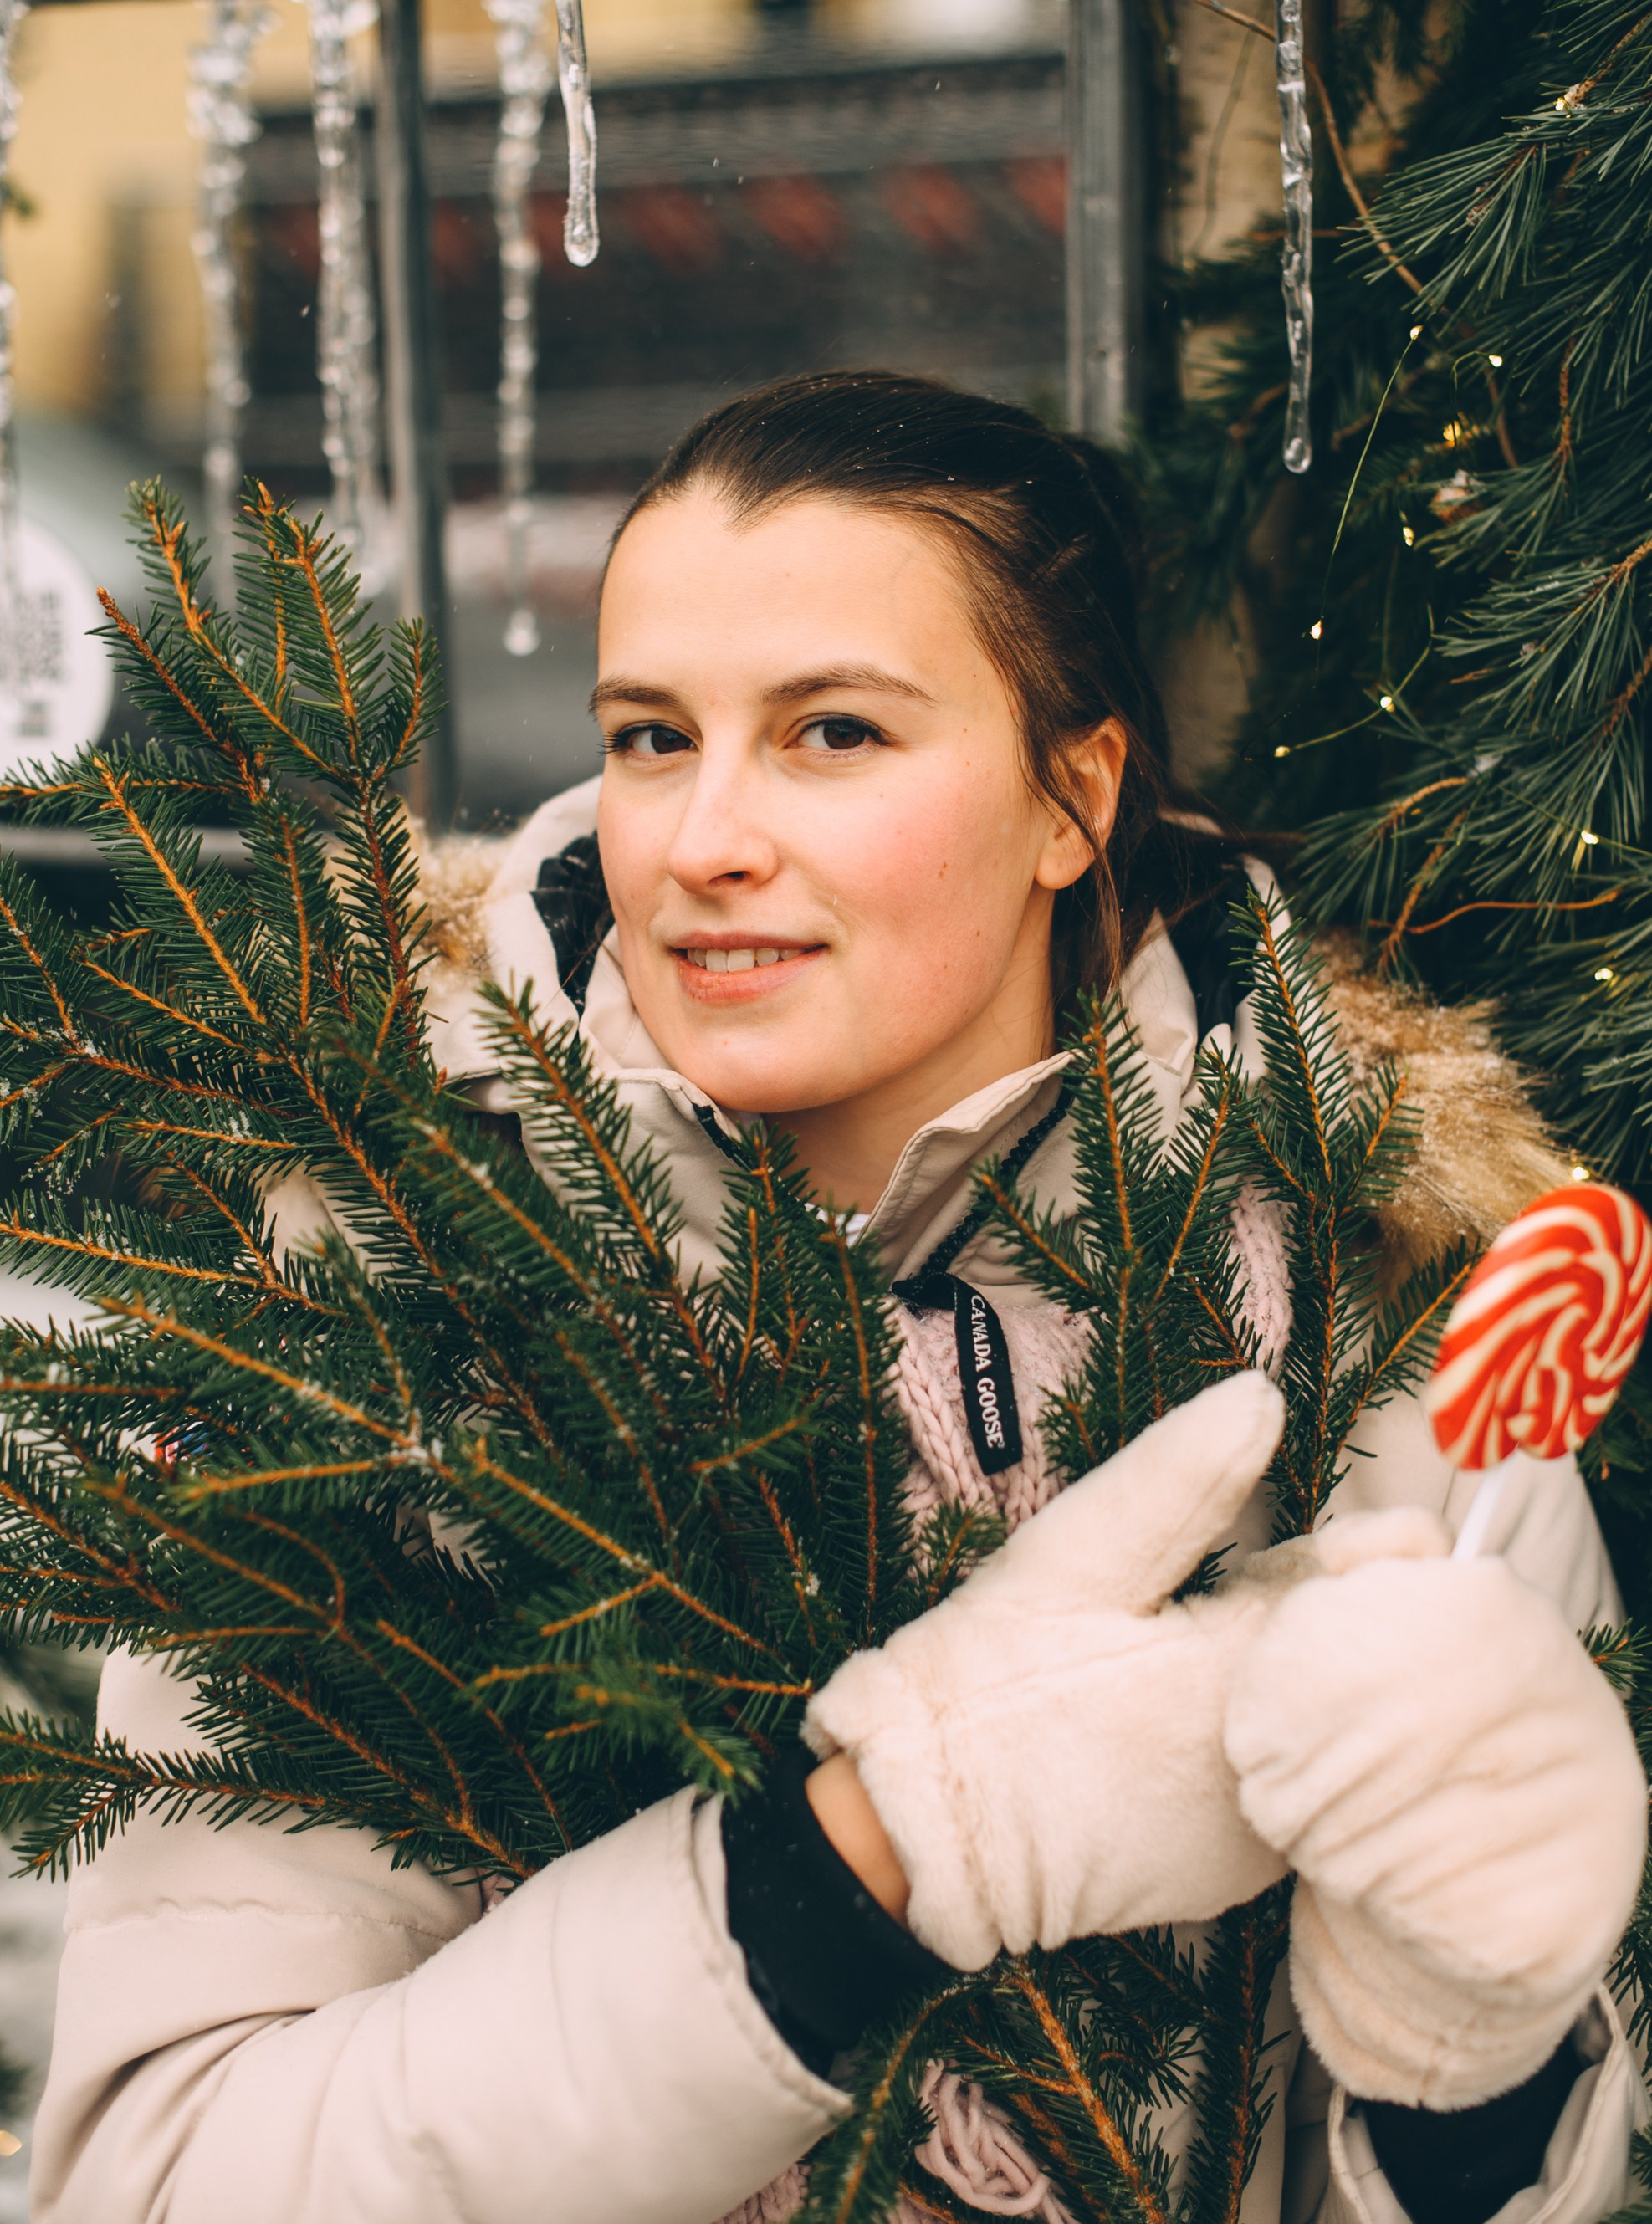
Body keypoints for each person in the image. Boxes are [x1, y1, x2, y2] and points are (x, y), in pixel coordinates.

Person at [33, 372, 1649, 2224]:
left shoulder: (1380, 1313)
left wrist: (1469, 2052)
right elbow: (165, 2186)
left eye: (831, 734)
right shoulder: (393, 1285)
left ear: (1072, 795)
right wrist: (882, 1851)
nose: (701, 836)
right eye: (650, 736)